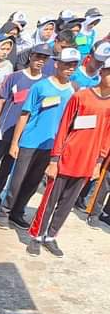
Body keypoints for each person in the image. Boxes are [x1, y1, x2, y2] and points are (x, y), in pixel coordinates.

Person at [25, 59, 110, 256]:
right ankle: (36, 235)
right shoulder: (81, 96)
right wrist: (54, 159)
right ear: (102, 72)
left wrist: (98, 163)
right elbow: (64, 127)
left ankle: (51, 236)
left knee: (67, 203)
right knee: (49, 200)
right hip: (67, 157)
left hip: (87, 162)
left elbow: (107, 136)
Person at [0, 47, 80, 230]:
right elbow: (24, 114)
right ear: (57, 64)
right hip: (30, 141)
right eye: (67, 64)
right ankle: (4, 211)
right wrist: (15, 142)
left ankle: (17, 212)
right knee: (17, 179)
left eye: (74, 65)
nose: (70, 68)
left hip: (51, 145)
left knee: (33, 182)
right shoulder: (40, 86)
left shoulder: (73, 91)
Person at [0, 43, 49, 205]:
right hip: (4, 128)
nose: (40, 61)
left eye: (44, 58)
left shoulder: (45, 83)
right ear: (30, 56)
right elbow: (1, 102)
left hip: (23, 133)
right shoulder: (14, 77)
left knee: (7, 167)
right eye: (38, 56)